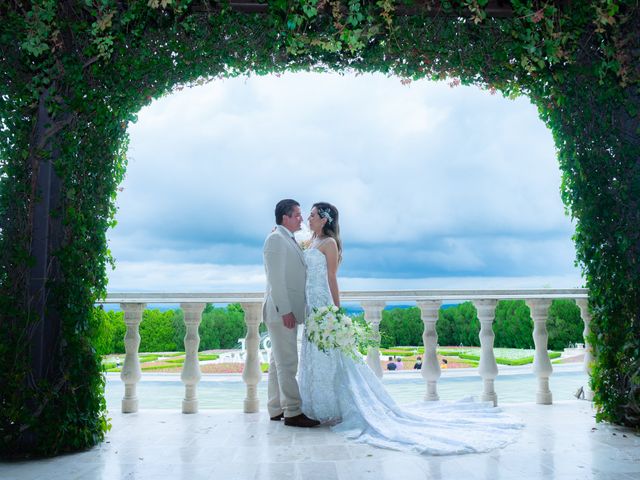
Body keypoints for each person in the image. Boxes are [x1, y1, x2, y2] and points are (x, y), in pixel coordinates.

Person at [298, 201, 523, 455]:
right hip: (310, 304)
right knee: (316, 356)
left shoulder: (328, 244)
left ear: (325, 219)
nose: (309, 217)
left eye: (313, 214)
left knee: (336, 358)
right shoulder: (310, 242)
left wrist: (336, 312)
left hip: (323, 304)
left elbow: (331, 278)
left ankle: (338, 407)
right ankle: (318, 406)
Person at [263, 199, 320, 428]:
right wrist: (286, 310)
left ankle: (276, 408)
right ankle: (293, 411)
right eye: (297, 214)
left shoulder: (286, 238)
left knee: (278, 362)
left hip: (285, 312)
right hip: (281, 313)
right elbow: (275, 280)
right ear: (285, 217)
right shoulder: (276, 239)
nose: (301, 218)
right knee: (288, 363)